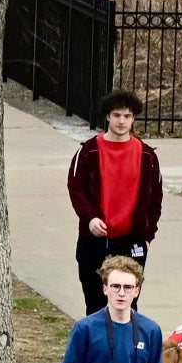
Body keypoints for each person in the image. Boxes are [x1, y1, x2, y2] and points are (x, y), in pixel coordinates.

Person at [64, 96, 162, 309]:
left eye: (127, 116)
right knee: (95, 304)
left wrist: (147, 236)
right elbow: (76, 188)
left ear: (133, 119)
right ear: (107, 116)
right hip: (95, 241)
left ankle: (126, 343)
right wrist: (90, 218)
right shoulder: (88, 151)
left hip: (132, 241)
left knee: (127, 306)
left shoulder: (147, 155)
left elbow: (155, 199)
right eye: (116, 115)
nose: (121, 121)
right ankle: (97, 343)